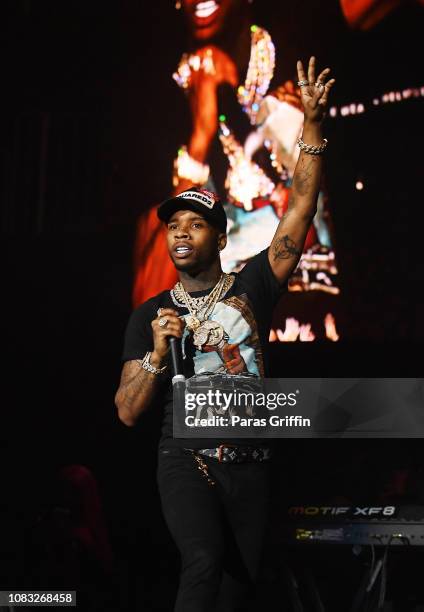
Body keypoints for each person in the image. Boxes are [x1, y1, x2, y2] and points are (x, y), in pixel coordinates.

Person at [115, 56, 335, 611]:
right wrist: (157, 354)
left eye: (194, 225)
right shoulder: (149, 315)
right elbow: (127, 411)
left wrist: (310, 126)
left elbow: (301, 210)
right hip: (185, 458)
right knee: (202, 561)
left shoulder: (254, 285)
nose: (180, 234)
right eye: (173, 227)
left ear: (219, 236)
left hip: (251, 464)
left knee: (238, 591)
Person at [132, 0, 339, 308]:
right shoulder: (161, 104)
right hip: (223, 343)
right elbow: (146, 302)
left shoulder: (298, 57)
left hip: (316, 326)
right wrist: (201, 135)